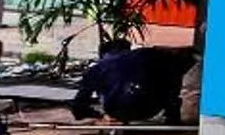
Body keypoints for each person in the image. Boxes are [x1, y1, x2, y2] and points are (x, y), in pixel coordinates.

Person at [69, 38, 198, 125]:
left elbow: (78, 107)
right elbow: (184, 58)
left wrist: (100, 117)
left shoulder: (97, 67)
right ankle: (172, 119)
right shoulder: (146, 54)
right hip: (153, 107)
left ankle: (115, 115)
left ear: (102, 54)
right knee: (168, 72)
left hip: (118, 112)